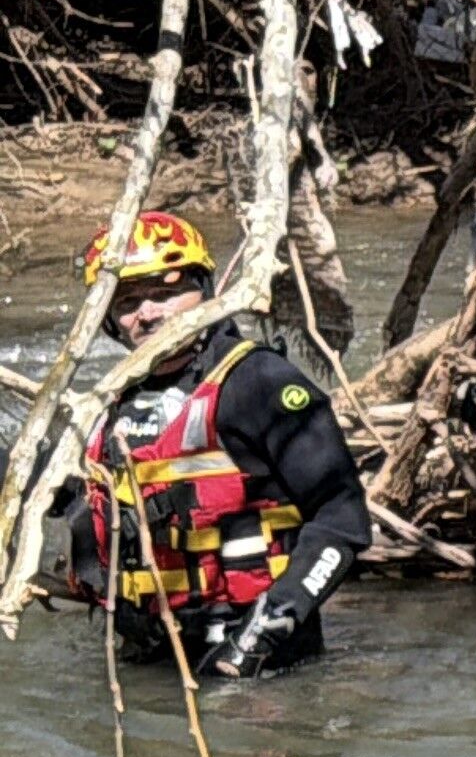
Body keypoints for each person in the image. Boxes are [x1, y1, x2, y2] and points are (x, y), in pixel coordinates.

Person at [58, 211, 372, 677]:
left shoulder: (259, 382)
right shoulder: (107, 401)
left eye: (165, 294)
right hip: (151, 659)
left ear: (203, 291)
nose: (147, 314)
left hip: (258, 661)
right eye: (128, 301)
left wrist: (267, 629)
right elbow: (74, 507)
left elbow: (342, 518)